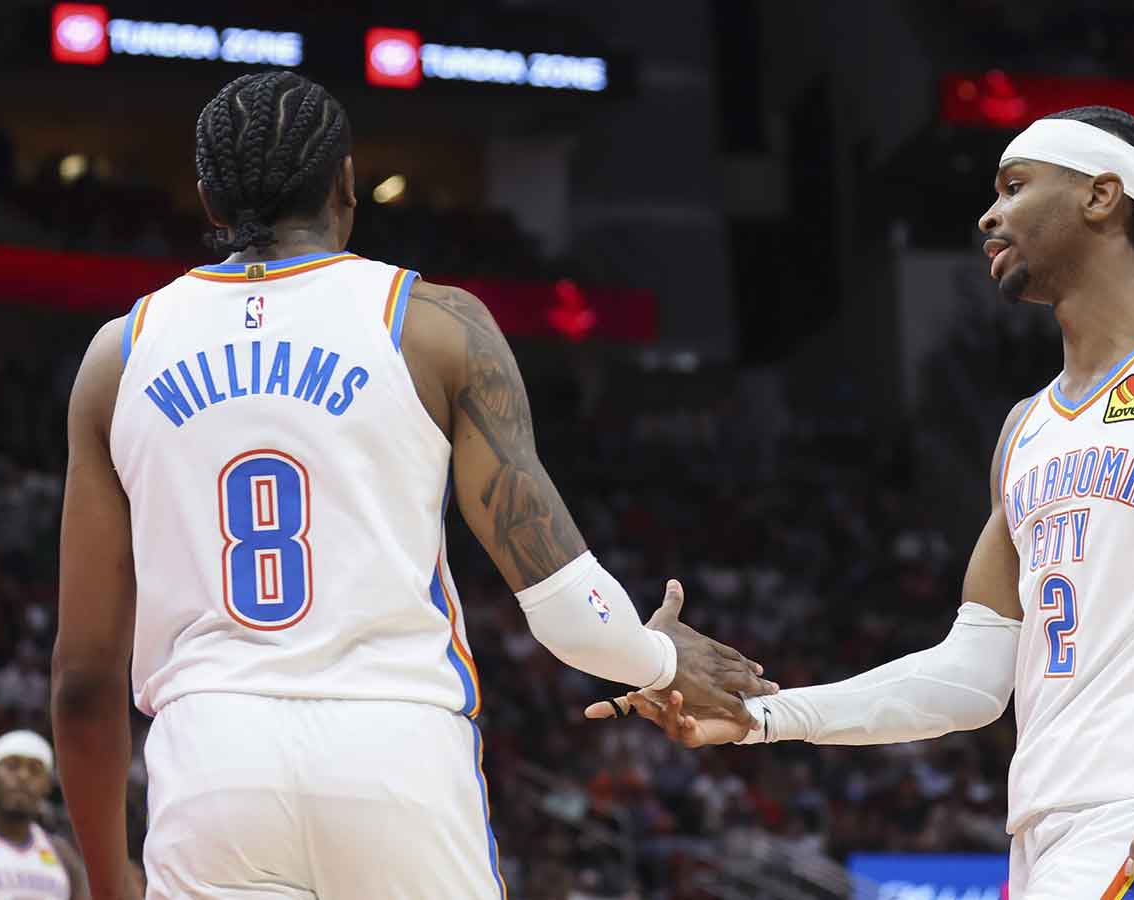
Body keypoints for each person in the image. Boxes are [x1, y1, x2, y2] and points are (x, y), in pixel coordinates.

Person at [589, 105, 1134, 899]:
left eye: (1013, 187)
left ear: (1101, 196)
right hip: (1044, 820)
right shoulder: (1025, 429)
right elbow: (972, 676)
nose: (988, 213)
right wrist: (763, 714)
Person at [50, 70, 771, 900]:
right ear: (348, 182)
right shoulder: (435, 323)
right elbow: (570, 609)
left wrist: (108, 877)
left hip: (211, 762)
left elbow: (82, 680)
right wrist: (655, 657)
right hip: (393, 753)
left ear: (209, 200)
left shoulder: (118, 356)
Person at [0, 731, 87, 899]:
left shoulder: (63, 855)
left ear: (47, 784)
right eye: (12, 766)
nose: (23, 776)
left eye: (34, 770)